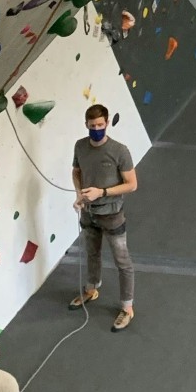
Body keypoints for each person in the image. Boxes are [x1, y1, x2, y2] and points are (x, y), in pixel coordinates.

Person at [70, 103, 138, 331]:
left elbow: (132, 185)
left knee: (122, 261)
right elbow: (76, 171)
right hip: (89, 214)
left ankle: (127, 307)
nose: (97, 129)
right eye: (92, 126)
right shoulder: (80, 146)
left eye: (100, 125)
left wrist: (102, 192)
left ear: (107, 123)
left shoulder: (120, 151)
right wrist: (80, 194)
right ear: (86, 125)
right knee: (92, 253)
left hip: (112, 214)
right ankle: (91, 289)